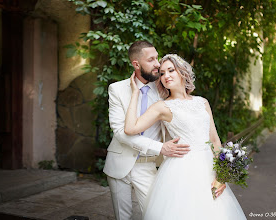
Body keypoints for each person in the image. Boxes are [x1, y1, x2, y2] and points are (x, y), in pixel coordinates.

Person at [124, 54, 246, 220]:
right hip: (181, 171)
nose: (166, 76)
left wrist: (222, 176)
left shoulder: (202, 102)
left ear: (182, 72)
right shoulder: (162, 106)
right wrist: (135, 93)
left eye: (171, 70)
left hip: (209, 169)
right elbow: (130, 128)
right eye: (162, 73)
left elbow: (215, 140)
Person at [103, 41, 191, 220]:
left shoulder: (164, 90)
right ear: (136, 64)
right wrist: (160, 147)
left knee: (156, 215)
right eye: (151, 59)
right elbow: (121, 132)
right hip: (119, 163)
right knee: (123, 217)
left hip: (148, 165)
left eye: (157, 58)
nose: (158, 64)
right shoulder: (117, 89)